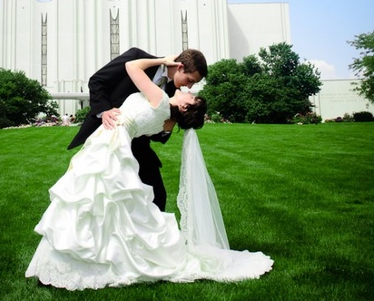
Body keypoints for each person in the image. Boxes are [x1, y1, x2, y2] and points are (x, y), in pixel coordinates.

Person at [25, 55, 273, 289]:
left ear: (185, 109)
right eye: (190, 85)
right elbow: (153, 125)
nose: (188, 90)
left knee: (92, 197)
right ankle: (110, 253)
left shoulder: (162, 101)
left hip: (112, 142)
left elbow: (133, 67)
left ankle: (86, 260)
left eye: (191, 95)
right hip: (114, 139)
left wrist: (162, 61)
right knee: (104, 201)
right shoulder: (166, 116)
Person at [68, 47, 207, 211]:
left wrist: (178, 120)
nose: (189, 87)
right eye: (190, 79)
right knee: (99, 193)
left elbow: (157, 135)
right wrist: (104, 110)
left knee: (157, 196)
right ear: (180, 67)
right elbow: (97, 81)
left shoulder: (173, 93)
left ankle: (152, 235)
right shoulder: (137, 57)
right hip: (111, 133)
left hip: (139, 146)